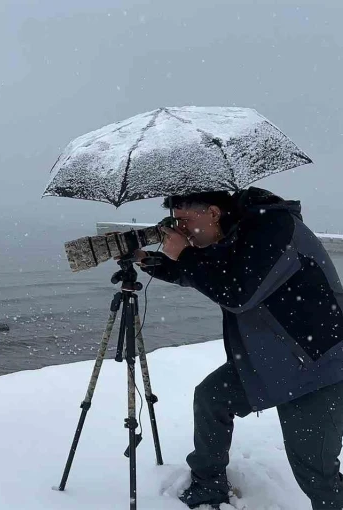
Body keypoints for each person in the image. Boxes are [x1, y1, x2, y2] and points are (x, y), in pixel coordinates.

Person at [132, 187, 343, 509]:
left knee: (315, 472)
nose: (181, 229)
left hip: (319, 366)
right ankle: (207, 485)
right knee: (212, 397)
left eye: (185, 220)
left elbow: (238, 293)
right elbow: (213, 274)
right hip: (272, 360)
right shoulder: (240, 233)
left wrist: (184, 254)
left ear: (213, 213)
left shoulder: (276, 230)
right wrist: (155, 263)